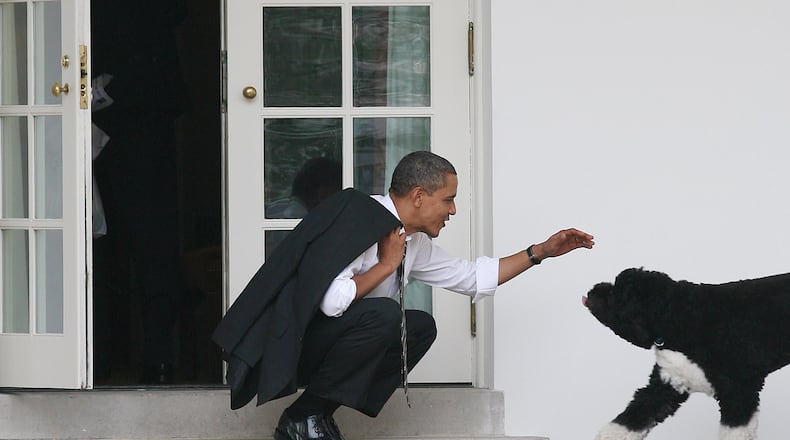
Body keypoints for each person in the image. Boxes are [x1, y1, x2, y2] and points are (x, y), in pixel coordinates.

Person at [213, 151, 594, 440]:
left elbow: (472, 277)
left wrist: (540, 251)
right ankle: (303, 418)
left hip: (329, 347)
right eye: (448, 199)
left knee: (420, 325)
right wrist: (384, 265)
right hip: (289, 349)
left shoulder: (412, 241)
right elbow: (331, 301)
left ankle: (311, 414)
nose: (453, 210)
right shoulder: (359, 219)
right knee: (384, 315)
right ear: (418, 196)